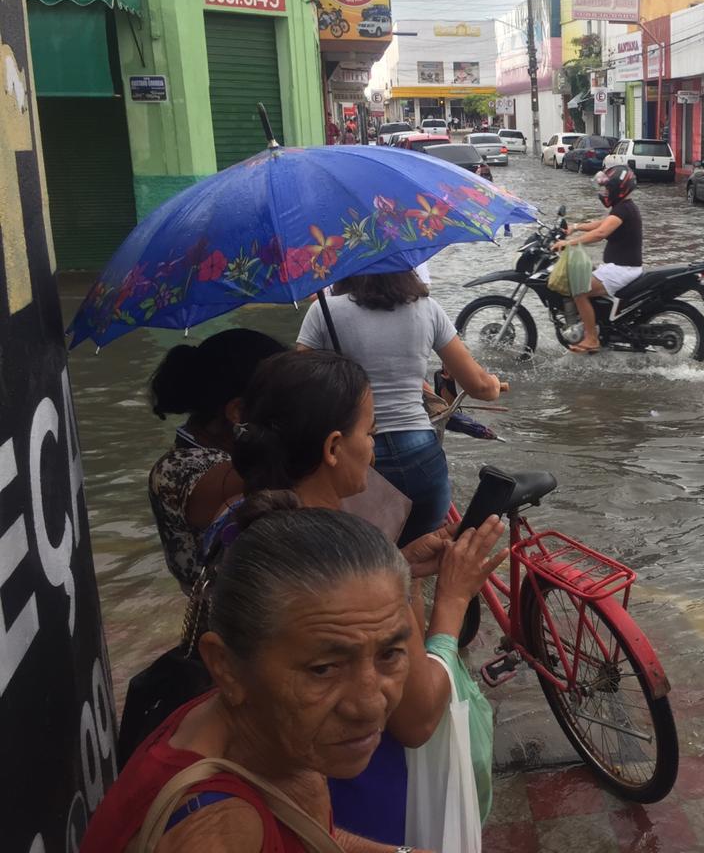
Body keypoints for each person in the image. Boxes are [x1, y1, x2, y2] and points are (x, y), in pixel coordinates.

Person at [80, 494, 505, 853]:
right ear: (224, 666)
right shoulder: (215, 828)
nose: (370, 705)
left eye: (391, 654)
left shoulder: (258, 727)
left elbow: (307, 831)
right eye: (323, 669)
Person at [228, 349, 497, 846]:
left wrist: (405, 570)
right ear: (334, 447)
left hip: (270, 784)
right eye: (368, 434)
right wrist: (452, 601)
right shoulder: (355, 557)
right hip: (355, 796)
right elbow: (417, 718)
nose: (373, 449)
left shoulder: (237, 528)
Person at [296, 272, 505, 542]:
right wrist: (495, 384)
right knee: (418, 555)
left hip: (358, 457)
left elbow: (299, 385)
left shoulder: (324, 311)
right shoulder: (427, 308)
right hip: (421, 453)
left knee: (366, 560)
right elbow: (480, 387)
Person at [147, 329, 287, 595]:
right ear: (238, 411)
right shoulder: (181, 469)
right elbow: (287, 474)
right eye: (283, 400)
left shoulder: (227, 452)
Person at [552, 165, 642, 355]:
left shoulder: (624, 209)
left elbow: (600, 233)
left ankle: (592, 338)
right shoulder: (622, 208)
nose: (605, 192)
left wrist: (569, 244)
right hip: (617, 267)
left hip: (621, 269)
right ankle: (595, 326)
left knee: (580, 291)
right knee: (585, 281)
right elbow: (601, 224)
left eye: (608, 188)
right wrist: (575, 227)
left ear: (619, 188)